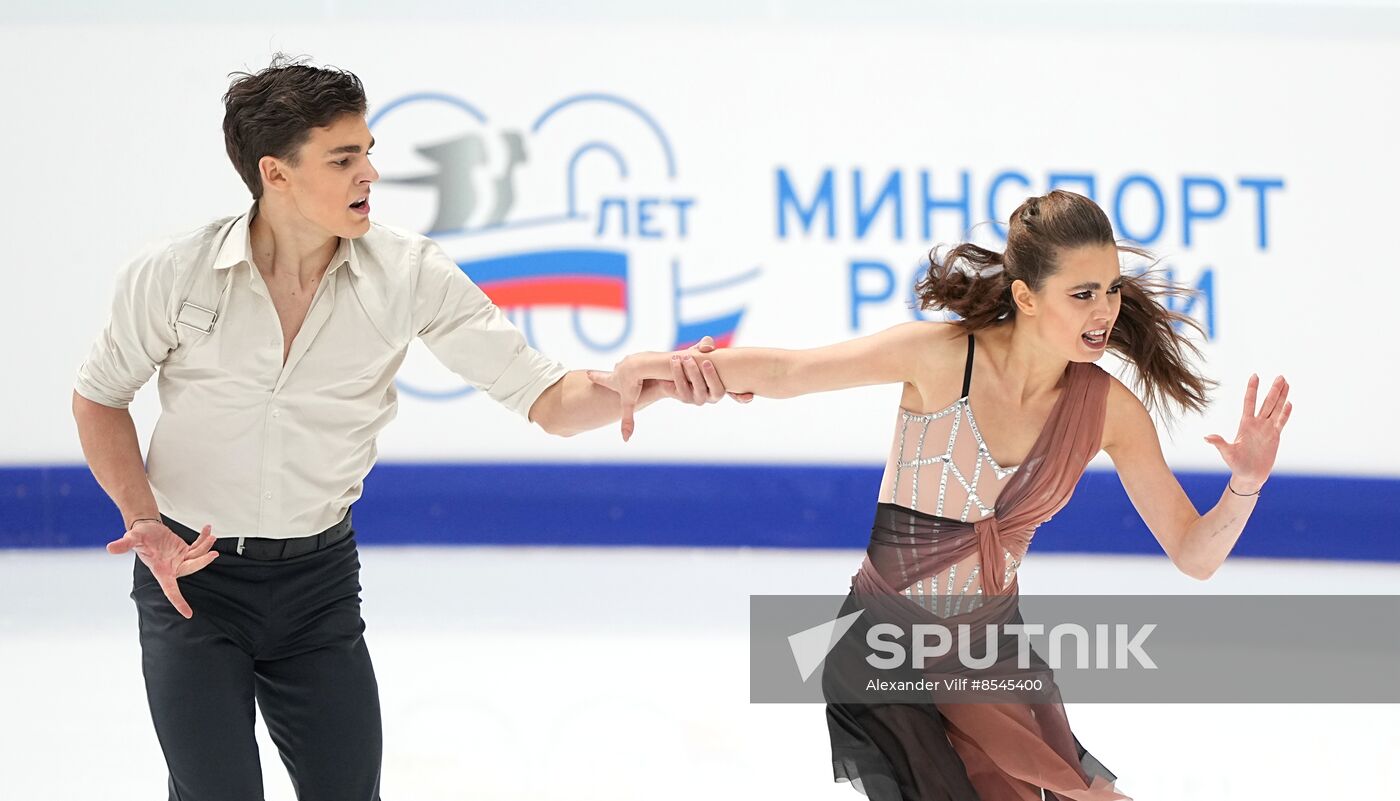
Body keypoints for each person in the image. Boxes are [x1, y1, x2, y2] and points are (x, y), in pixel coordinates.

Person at [70, 57, 734, 801]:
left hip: (316, 587)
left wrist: (639, 384)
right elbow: (99, 398)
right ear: (276, 173)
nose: (370, 174)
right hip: (190, 580)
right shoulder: (172, 274)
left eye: (369, 151)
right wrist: (142, 519)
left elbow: (544, 395)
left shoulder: (410, 272)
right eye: (344, 157)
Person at [589, 189, 1292, 800]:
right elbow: (786, 370)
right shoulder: (939, 356)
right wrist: (661, 368)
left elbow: (1194, 554)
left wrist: (1245, 485)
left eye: (1111, 288)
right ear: (1025, 296)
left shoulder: (1108, 409)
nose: (1104, 309)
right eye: (1083, 293)